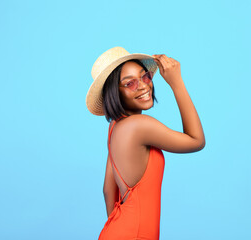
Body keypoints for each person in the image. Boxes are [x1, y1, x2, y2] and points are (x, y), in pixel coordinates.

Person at [86, 46, 205, 240]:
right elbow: (197, 140)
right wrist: (176, 83)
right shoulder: (139, 126)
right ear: (114, 93)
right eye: (130, 83)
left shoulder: (115, 127)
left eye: (145, 77)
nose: (143, 86)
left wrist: (123, 227)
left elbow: (108, 189)